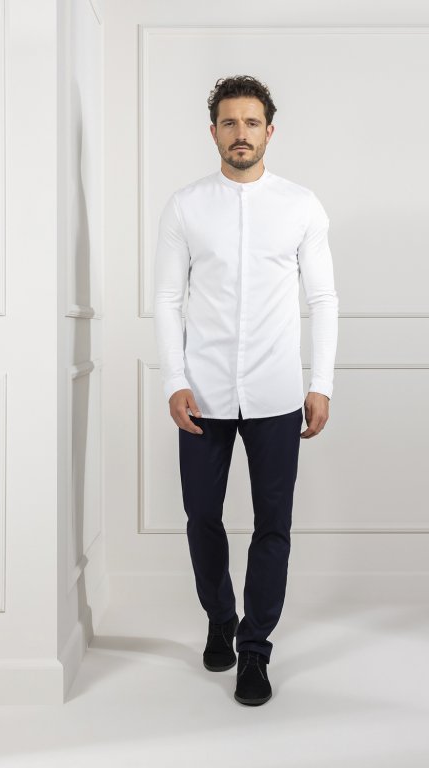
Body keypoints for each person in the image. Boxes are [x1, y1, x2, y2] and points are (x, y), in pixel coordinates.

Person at [153, 75, 339, 706]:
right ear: (213, 132)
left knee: (272, 524)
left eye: (251, 123)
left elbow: (323, 298)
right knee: (201, 516)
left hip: (277, 393)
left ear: (269, 131)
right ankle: (219, 618)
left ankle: (255, 649)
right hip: (203, 392)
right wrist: (175, 380)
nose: (241, 134)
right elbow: (167, 298)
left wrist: (321, 384)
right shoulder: (185, 206)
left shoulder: (301, 206)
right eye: (229, 123)